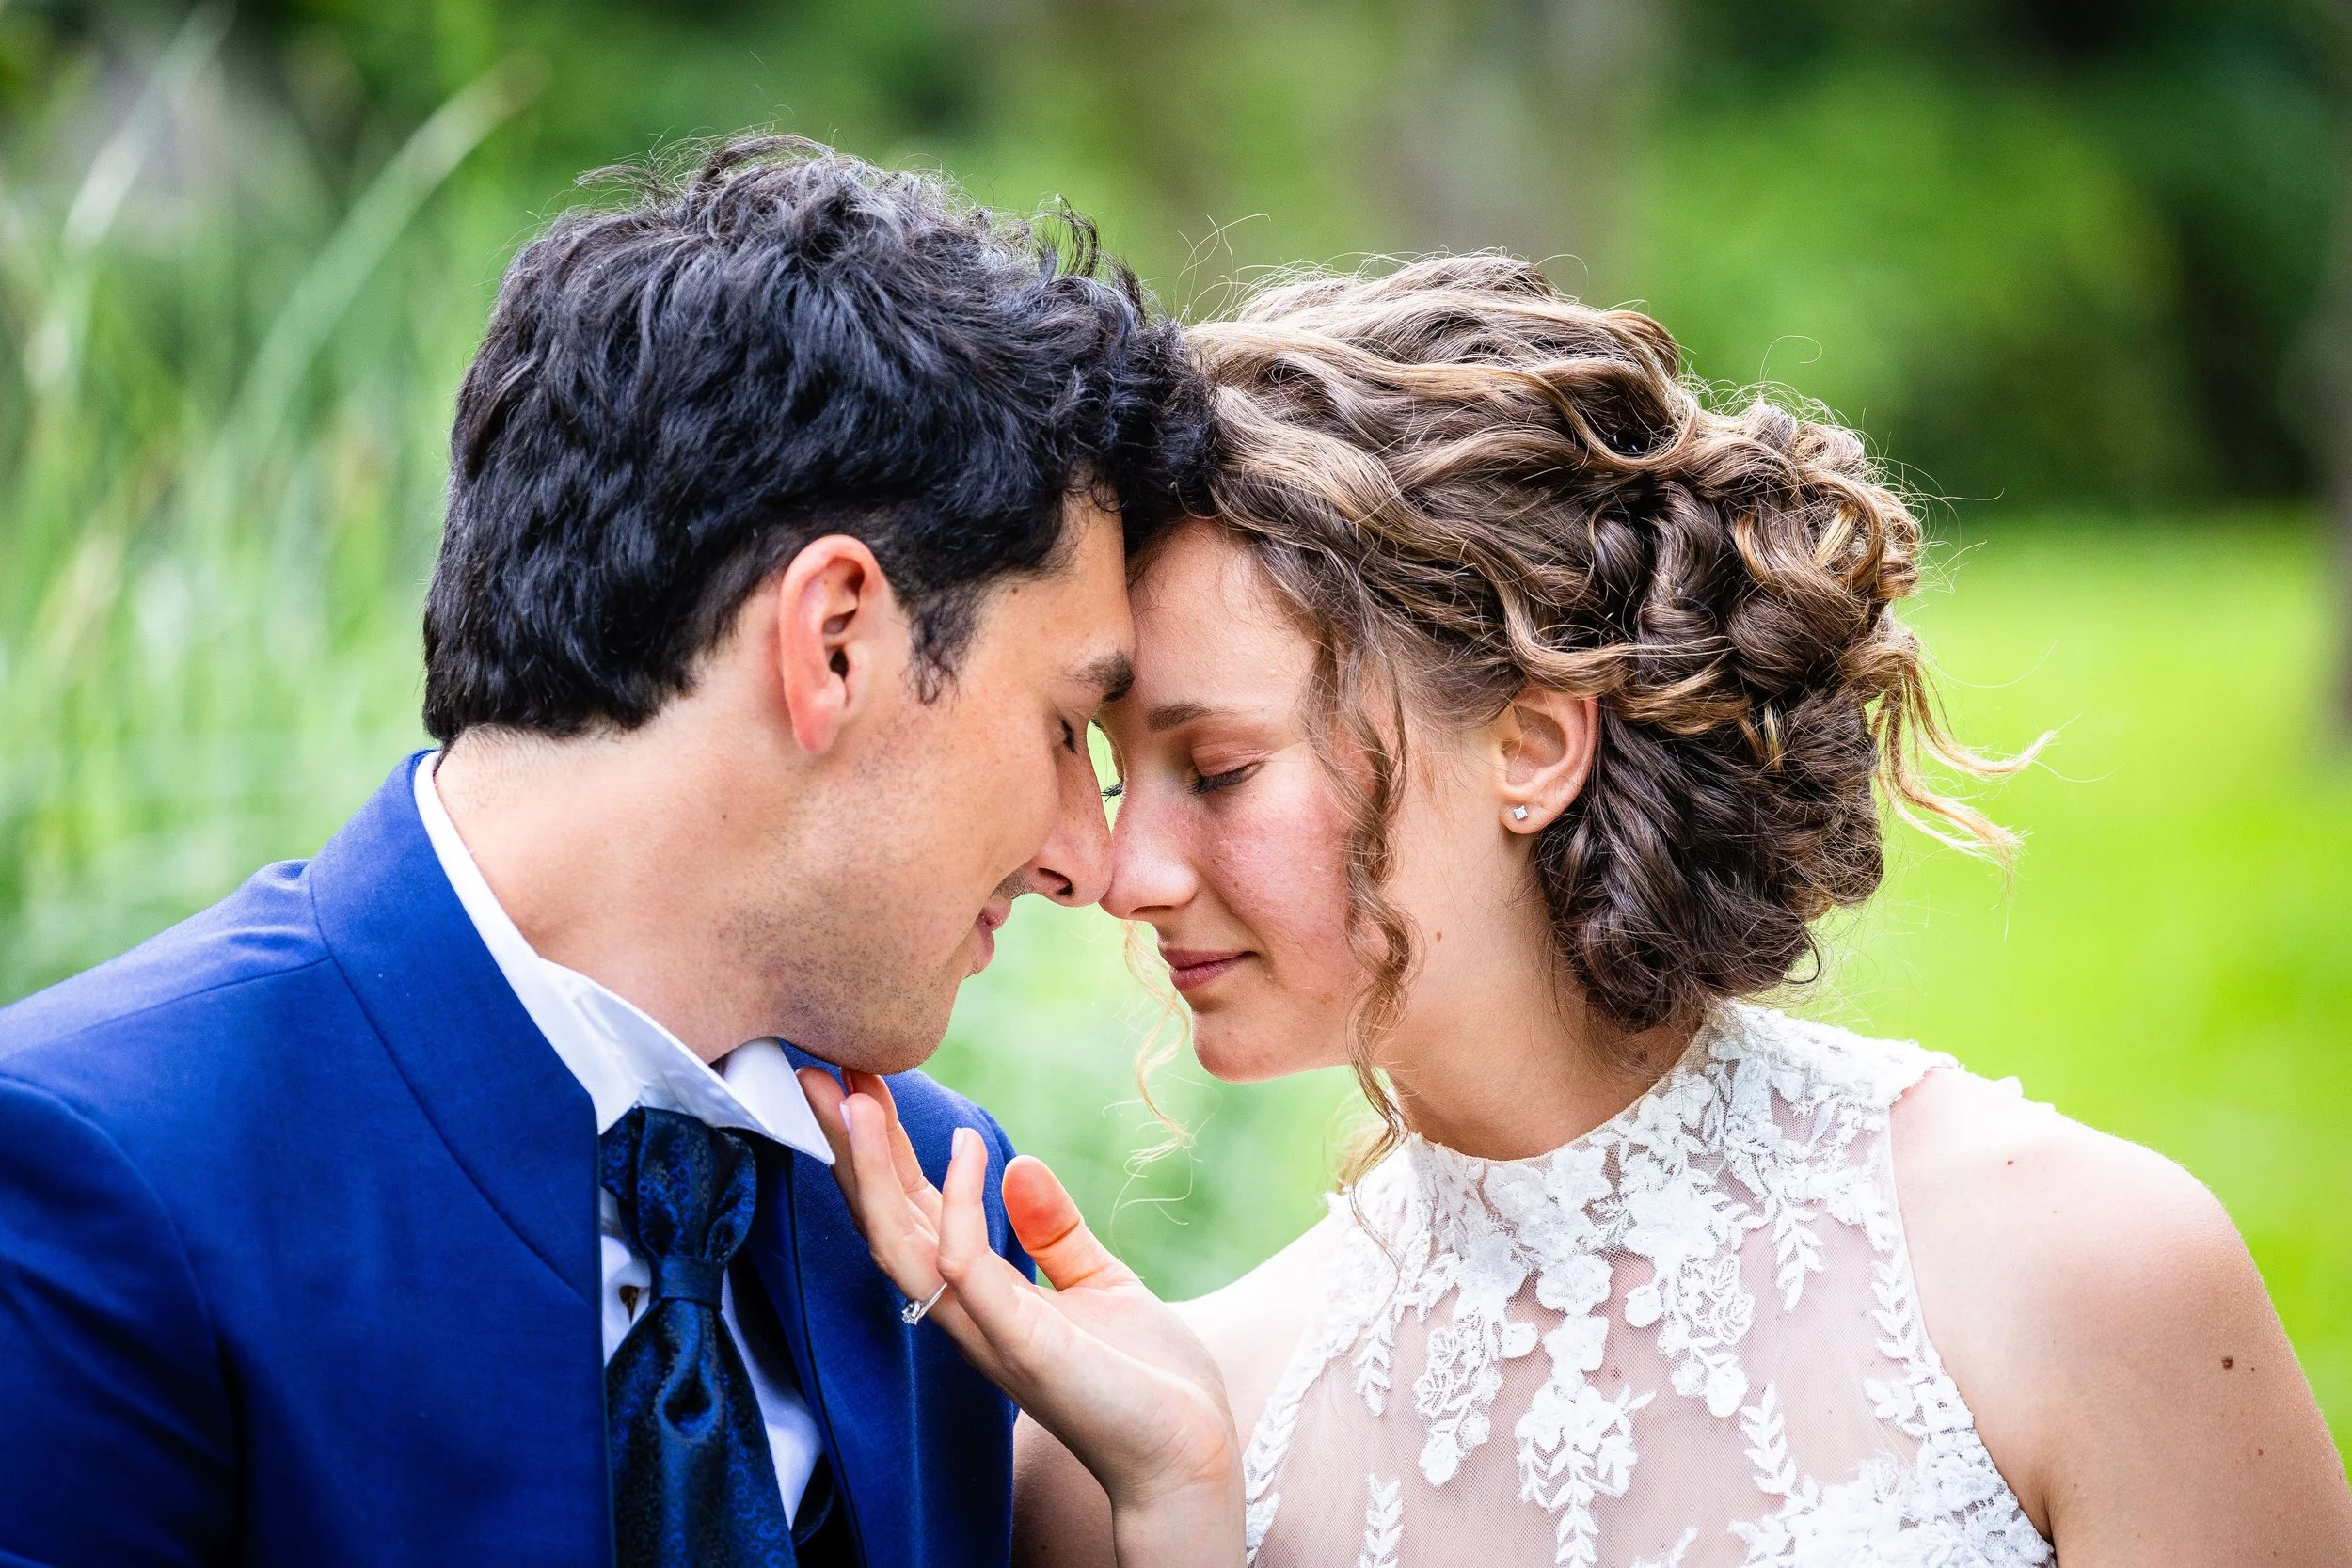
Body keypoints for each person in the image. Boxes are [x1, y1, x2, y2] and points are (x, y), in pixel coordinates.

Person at [821, 256, 2352, 1567]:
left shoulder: (2085, 1277)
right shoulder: (1155, 1444)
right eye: (1113, 766)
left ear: (1534, 745)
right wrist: (1177, 1508)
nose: (1126, 869)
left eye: (1215, 769)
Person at [0, 137, 1219, 1568]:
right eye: (1068, 722)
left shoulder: (943, 1217)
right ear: (834, 641)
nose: (1091, 859)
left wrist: (1176, 1501)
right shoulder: (102, 1175)